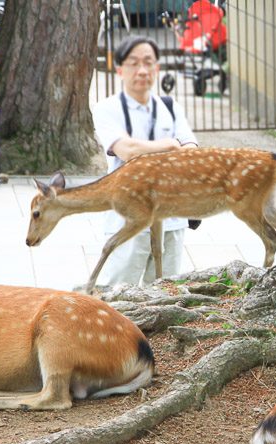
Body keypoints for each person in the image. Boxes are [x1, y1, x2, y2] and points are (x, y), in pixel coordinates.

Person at [93, 36, 198, 286]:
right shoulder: (107, 109)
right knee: (118, 295)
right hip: (128, 221)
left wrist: (172, 149)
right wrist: (171, 145)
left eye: (148, 62)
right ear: (119, 69)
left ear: (157, 68)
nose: (142, 70)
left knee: (165, 296)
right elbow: (126, 150)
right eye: (133, 63)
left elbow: (192, 152)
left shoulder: (171, 108)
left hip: (172, 220)